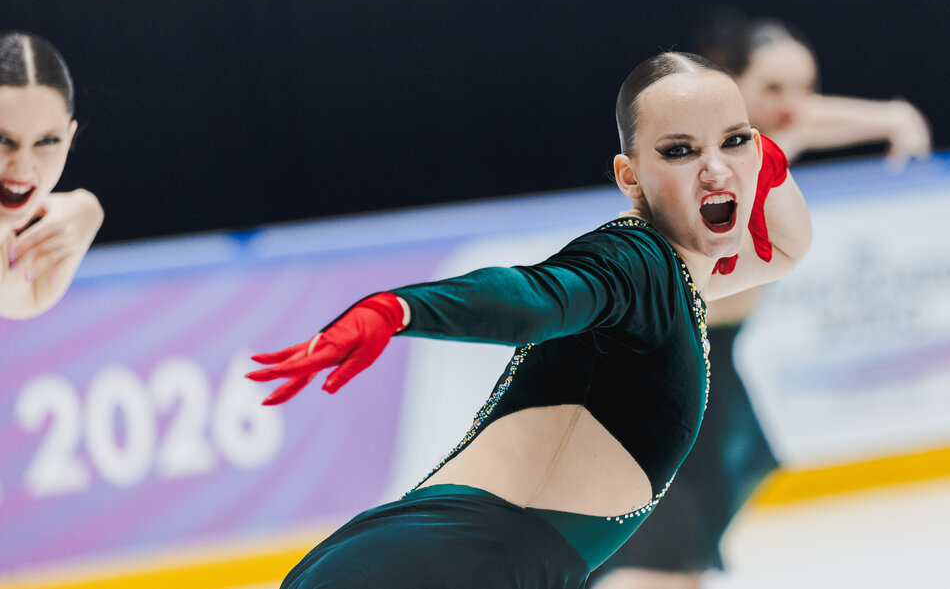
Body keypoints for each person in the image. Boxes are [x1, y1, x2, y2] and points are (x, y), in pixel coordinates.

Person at [246, 51, 812, 589]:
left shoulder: (680, 279)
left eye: (734, 141)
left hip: (454, 558)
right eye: (679, 150)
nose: (715, 168)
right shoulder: (635, 263)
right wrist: (398, 309)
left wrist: (752, 150)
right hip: (442, 568)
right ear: (629, 176)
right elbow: (534, 297)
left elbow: (786, 248)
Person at [588, 15, 932, 589]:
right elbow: (801, 129)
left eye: (806, 87)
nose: (795, 105)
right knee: (661, 560)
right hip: (665, 373)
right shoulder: (717, 166)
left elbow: (805, 121)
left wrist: (893, 117)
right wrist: (891, 117)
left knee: (677, 556)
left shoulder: (754, 146)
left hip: (708, 368)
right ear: (727, 86)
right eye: (773, 88)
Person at [0, 31, 103, 319]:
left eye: (46, 141)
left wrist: (88, 209)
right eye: (2, 139)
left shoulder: (30, 275)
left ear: (69, 138)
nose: (22, 168)